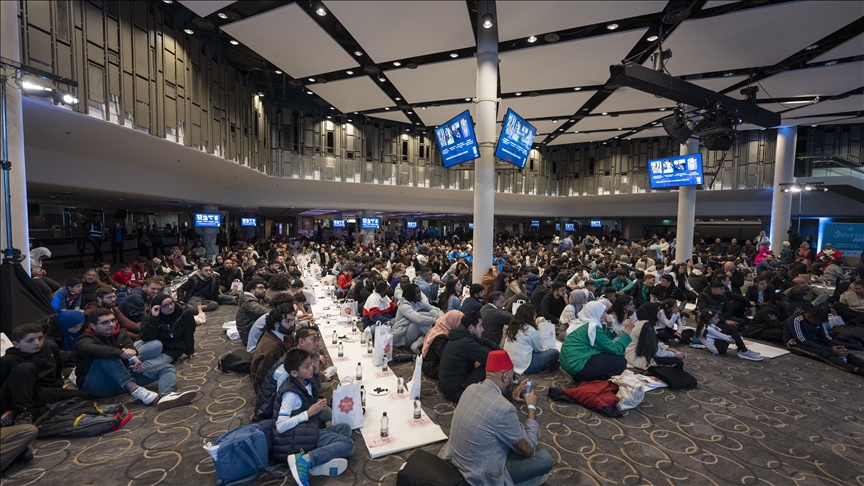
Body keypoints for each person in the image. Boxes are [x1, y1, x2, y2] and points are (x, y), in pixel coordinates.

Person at [438, 350, 553, 486]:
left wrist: (510, 396)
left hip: (455, 461)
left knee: (519, 438)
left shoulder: (471, 388)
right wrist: (531, 408)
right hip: (479, 476)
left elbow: (491, 408)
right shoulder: (504, 410)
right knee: (543, 458)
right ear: (505, 377)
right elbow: (528, 450)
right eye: (512, 376)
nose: (513, 380)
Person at [75, 308, 195, 409]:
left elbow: (130, 348)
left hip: (122, 379)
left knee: (167, 368)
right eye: (105, 322)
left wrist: (133, 357)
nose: (111, 324)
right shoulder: (84, 339)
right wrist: (123, 354)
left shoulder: (120, 333)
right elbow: (93, 349)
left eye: (113, 320)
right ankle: (137, 390)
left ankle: (166, 395)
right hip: (97, 385)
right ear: (93, 326)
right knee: (107, 356)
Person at [275, 349, 355, 484]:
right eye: (307, 366)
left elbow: (314, 390)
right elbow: (280, 426)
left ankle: (320, 461)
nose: (311, 367)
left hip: (306, 430)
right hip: (294, 439)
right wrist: (309, 413)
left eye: (310, 364)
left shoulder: (302, 381)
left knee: (345, 428)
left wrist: (317, 369)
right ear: (294, 373)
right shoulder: (290, 394)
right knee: (349, 444)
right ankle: (306, 460)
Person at [1, 324, 89, 425]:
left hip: (41, 392)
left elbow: (57, 371)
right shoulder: (7, 360)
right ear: (16, 344)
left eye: (40, 338)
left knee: (83, 396)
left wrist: (59, 385)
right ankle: (22, 413)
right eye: (30, 341)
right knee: (26, 367)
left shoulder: (51, 348)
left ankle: (31, 413)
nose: (37, 343)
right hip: (17, 396)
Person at [560, 301, 634, 381]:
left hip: (569, 363)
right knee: (621, 361)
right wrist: (627, 331)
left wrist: (609, 326)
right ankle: (592, 379)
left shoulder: (582, 323)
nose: (606, 314)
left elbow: (603, 342)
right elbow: (617, 349)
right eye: (603, 311)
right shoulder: (592, 327)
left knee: (607, 354)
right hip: (577, 365)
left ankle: (584, 376)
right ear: (596, 313)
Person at [438, 311, 501, 403]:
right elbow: (493, 359)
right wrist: (502, 355)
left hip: (448, 386)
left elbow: (485, 341)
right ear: (471, 327)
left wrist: (498, 350)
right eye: (480, 326)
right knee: (490, 366)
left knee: (486, 357)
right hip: (457, 392)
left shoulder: (460, 334)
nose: (482, 329)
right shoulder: (467, 343)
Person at [783, 307, 864, 375]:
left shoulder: (819, 321)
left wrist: (837, 347)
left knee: (843, 352)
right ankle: (855, 369)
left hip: (812, 341)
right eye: (816, 322)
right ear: (808, 316)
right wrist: (830, 350)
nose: (817, 325)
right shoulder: (796, 320)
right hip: (794, 343)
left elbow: (825, 338)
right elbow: (802, 340)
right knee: (823, 354)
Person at [250, 303, 296, 394]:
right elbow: (262, 380)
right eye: (288, 321)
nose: (292, 324)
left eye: (293, 320)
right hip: (272, 390)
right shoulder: (271, 348)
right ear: (276, 324)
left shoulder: (283, 335)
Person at [139, 293, 197, 363]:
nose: (170, 307)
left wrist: (189, 351)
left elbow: (188, 334)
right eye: (165, 306)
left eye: (171, 303)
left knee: (150, 365)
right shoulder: (149, 318)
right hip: (156, 346)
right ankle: (131, 362)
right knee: (155, 345)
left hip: (173, 349)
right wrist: (154, 318)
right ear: (158, 307)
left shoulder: (184, 313)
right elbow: (146, 338)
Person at [625, 303, 686, 371]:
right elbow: (655, 352)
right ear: (652, 312)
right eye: (658, 311)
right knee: (677, 362)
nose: (660, 313)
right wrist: (675, 355)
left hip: (633, 355)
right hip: (635, 358)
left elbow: (655, 342)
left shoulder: (642, 322)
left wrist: (672, 350)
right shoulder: (646, 327)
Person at [502, 304, 559, 375]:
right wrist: (546, 348)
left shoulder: (512, 327)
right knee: (555, 352)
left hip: (510, 363)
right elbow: (539, 349)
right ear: (532, 316)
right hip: (525, 366)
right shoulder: (530, 330)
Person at [393, 283, 444, 354]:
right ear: (410, 294)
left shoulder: (418, 302)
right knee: (419, 321)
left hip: (414, 331)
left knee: (433, 312)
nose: (419, 294)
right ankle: (438, 338)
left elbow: (436, 309)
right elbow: (418, 319)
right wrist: (435, 320)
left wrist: (441, 318)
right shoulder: (404, 305)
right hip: (403, 336)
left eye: (419, 291)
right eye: (416, 292)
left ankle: (420, 343)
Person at [694, 309, 762, 361]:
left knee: (730, 328)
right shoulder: (708, 329)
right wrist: (734, 339)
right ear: (709, 319)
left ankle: (742, 349)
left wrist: (734, 338)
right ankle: (743, 350)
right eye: (716, 318)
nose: (718, 320)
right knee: (731, 328)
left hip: (716, 345)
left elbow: (721, 332)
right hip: (717, 349)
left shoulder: (707, 325)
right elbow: (724, 337)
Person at [421, 310, 464, 380]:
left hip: (434, 363)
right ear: (452, 321)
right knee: (460, 370)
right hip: (432, 367)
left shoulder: (440, 328)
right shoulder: (441, 337)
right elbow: (446, 357)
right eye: (459, 322)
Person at [51, 277, 86, 352]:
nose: (81, 288)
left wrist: (76, 312)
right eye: (78, 286)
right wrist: (71, 313)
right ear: (70, 288)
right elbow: (60, 307)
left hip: (70, 310)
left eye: (81, 286)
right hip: (58, 311)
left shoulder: (78, 293)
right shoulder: (61, 293)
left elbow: (77, 303)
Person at [236, 278, 271, 346]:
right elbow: (264, 312)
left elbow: (272, 301)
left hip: (255, 329)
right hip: (249, 336)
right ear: (252, 291)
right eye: (260, 288)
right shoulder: (248, 301)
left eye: (264, 288)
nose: (264, 290)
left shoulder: (260, 298)